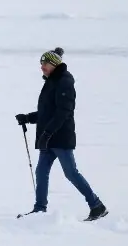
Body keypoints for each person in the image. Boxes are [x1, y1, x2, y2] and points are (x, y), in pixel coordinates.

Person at [15, 48, 108, 221]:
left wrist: (48, 133)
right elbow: (47, 112)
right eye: (41, 64)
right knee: (41, 172)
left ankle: (97, 205)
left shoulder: (64, 82)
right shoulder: (52, 81)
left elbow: (63, 112)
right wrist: (28, 118)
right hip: (48, 139)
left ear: (54, 64)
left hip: (60, 138)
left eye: (45, 64)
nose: (42, 67)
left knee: (71, 173)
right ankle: (39, 210)